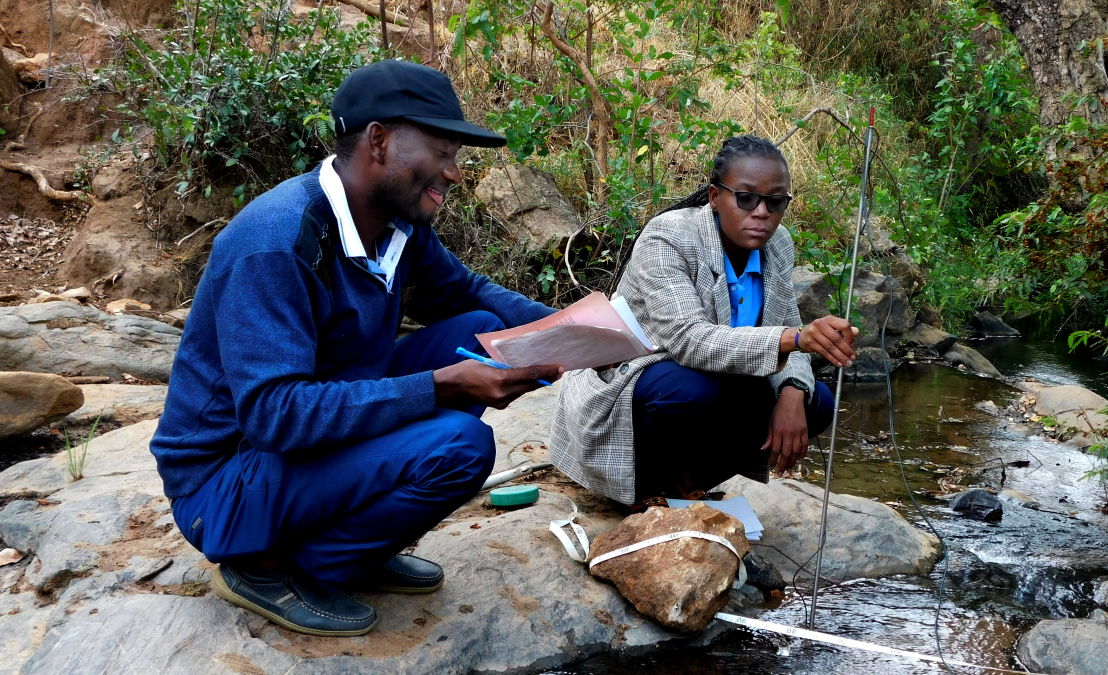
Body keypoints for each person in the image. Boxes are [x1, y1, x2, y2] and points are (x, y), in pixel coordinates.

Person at [150, 60, 561, 637]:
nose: (456, 172)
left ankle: (351, 542)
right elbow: (275, 415)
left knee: (478, 328)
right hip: (225, 483)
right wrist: (440, 386)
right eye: (443, 152)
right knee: (462, 446)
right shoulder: (277, 242)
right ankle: (278, 568)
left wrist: (575, 329)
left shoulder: (397, 226)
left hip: (301, 449)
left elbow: (463, 291)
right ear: (379, 140)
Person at [550, 135, 857, 509]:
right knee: (692, 390)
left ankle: (684, 483)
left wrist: (793, 389)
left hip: (712, 379)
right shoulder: (668, 236)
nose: (761, 212)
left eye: (775, 202)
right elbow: (689, 341)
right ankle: (642, 485)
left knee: (816, 403)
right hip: (634, 378)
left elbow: (786, 326)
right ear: (715, 197)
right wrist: (794, 339)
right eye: (745, 198)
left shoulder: (778, 244)